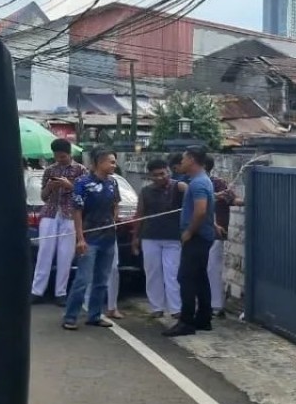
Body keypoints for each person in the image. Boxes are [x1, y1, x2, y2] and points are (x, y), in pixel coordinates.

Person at [62, 147, 121, 330]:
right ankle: (70, 317)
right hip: (89, 239)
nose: (114, 165)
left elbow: (115, 204)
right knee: (83, 279)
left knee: (102, 280)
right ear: (99, 163)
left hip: (108, 239)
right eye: (111, 162)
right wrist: (80, 238)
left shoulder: (113, 183)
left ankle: (95, 315)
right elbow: (77, 212)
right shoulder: (82, 183)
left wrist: (113, 221)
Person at [164, 145, 216, 337]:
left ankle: (186, 322)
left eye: (185, 158)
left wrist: (189, 231)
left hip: (197, 237)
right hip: (203, 235)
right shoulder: (201, 180)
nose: (182, 162)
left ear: (192, 160)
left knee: (185, 278)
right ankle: (203, 318)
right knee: (200, 277)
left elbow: (201, 211)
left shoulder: (198, 183)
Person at [30, 138, 87, 305]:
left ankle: (60, 292)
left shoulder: (81, 170)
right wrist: (49, 187)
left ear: (69, 154)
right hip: (50, 213)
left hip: (70, 214)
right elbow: (43, 196)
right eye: (56, 156)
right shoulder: (50, 170)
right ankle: (37, 291)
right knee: (44, 252)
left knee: (65, 254)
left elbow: (84, 194)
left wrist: (70, 185)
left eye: (62, 156)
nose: (59, 159)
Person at [134, 157, 184, 318]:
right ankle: (157, 307)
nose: (160, 177)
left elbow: (195, 197)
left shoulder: (179, 187)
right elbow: (139, 214)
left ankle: (176, 309)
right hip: (150, 237)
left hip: (173, 238)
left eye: (163, 173)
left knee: (172, 273)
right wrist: (135, 237)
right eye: (155, 175)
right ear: (150, 176)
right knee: (152, 273)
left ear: (169, 171)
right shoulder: (145, 191)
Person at [205, 156, 240, 319]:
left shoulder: (218, 183)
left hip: (215, 234)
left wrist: (247, 200)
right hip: (196, 232)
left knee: (213, 268)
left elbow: (233, 200)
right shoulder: (189, 182)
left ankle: (215, 305)